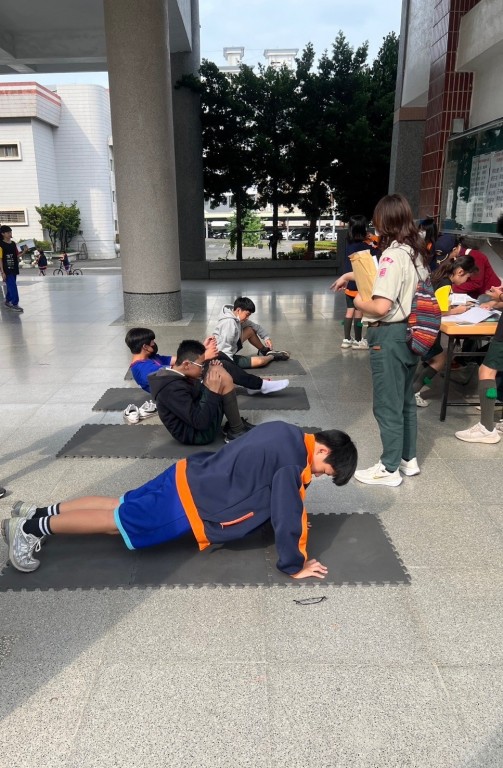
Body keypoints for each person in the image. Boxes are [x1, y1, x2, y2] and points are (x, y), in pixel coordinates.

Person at [1, 421, 357, 577]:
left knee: (119, 504)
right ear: (323, 450)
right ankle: (30, 529)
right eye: (325, 471)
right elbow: (287, 513)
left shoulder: (287, 432)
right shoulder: (293, 463)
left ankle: (37, 512)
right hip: (190, 502)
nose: (318, 476)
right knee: (116, 523)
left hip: (187, 473)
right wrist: (295, 564)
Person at [334, 194, 429, 487]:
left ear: (384, 221)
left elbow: (380, 306)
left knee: (387, 405)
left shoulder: (392, 255)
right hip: (410, 334)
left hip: (388, 337)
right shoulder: (415, 252)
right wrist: (352, 274)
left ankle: (388, 468)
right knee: (405, 402)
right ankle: (407, 459)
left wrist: (358, 302)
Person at [125, 327, 289, 396]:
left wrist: (202, 350)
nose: (155, 344)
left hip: (183, 378)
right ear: (145, 347)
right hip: (180, 389)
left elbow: (179, 360)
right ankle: (259, 385)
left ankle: (252, 385)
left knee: (220, 355)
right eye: (152, 342)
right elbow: (177, 372)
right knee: (221, 365)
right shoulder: (142, 369)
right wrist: (204, 357)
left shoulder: (151, 357)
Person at [149, 339, 253, 444]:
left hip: (197, 419)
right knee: (221, 376)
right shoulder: (171, 390)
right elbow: (200, 423)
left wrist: (210, 373)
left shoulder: (176, 374)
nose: (203, 368)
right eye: (201, 365)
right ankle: (236, 430)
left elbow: (194, 394)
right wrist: (212, 391)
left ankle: (235, 424)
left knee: (216, 371)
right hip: (196, 434)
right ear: (187, 364)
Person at [412, 255, 479, 407]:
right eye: (467, 277)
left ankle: (412, 389)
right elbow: (441, 310)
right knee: (440, 360)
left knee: (432, 359)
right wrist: (457, 310)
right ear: (460, 272)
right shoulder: (445, 284)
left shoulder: (437, 276)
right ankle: (413, 392)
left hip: (420, 324)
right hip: (427, 328)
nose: (466, 281)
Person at [330, 215, 380, 350]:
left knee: (349, 311)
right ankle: (358, 340)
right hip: (359, 283)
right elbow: (377, 251)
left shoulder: (349, 243)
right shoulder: (364, 245)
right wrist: (374, 239)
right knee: (359, 314)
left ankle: (346, 339)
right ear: (363, 228)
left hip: (349, 283)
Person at [213, 296, 290, 368]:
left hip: (230, 348)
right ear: (238, 310)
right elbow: (224, 348)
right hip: (222, 357)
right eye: (247, 315)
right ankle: (272, 356)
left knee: (250, 330)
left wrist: (266, 338)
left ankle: (265, 351)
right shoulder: (229, 323)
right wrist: (230, 366)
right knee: (260, 361)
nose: (247, 318)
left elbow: (256, 327)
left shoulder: (236, 317)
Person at [0, 225, 27, 312]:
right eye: (8, 232)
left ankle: (8, 300)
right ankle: (15, 304)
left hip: (14, 268)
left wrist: (24, 251)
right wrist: (2, 272)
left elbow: (17, 256)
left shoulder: (13, 244)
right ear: (3, 234)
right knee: (13, 286)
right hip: (6, 269)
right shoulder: (0, 245)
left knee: (11, 285)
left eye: (10, 232)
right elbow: (0, 259)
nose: (10, 234)